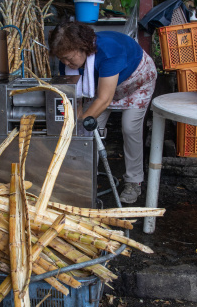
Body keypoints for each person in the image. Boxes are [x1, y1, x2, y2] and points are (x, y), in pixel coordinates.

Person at [48, 21, 157, 204]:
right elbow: (76, 98)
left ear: (82, 48)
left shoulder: (109, 52)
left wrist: (79, 125)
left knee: (130, 128)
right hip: (100, 87)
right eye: (62, 59)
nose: (65, 63)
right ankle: (83, 177)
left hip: (135, 84)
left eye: (68, 58)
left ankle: (134, 181)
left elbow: (104, 100)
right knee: (89, 131)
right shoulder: (68, 63)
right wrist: (76, 124)